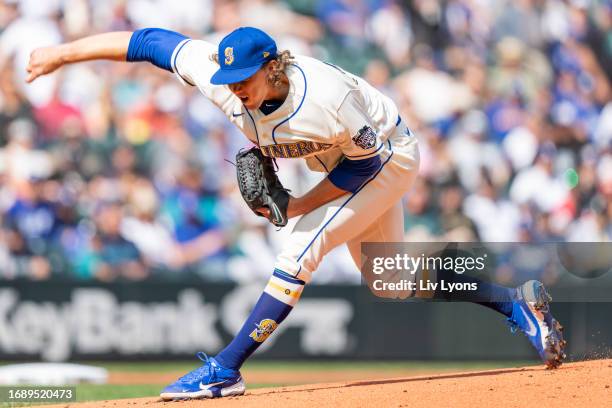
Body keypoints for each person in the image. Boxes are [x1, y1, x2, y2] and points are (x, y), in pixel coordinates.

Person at [26, 26, 566, 400]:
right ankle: (516, 303)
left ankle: (225, 369)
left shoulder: (323, 99)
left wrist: (298, 205)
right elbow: (147, 42)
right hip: (344, 157)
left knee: (299, 247)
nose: (231, 89)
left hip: (385, 157)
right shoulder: (225, 77)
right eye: (227, 79)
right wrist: (60, 54)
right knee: (387, 279)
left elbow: (366, 165)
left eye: (243, 79)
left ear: (273, 67)